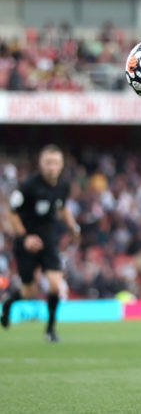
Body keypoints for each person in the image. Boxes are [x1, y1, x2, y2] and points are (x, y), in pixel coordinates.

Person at [1, 144, 81, 342]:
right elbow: (11, 214)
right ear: (41, 164)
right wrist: (25, 237)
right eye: (48, 163)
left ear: (62, 165)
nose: (52, 167)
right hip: (26, 243)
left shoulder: (63, 186)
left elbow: (62, 209)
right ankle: (8, 304)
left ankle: (50, 330)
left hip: (49, 242)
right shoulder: (28, 186)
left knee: (55, 284)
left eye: (56, 162)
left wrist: (73, 228)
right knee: (29, 291)